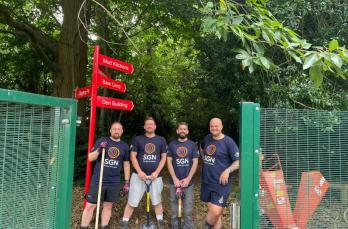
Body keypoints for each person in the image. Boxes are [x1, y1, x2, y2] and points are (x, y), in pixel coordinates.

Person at [80, 121, 130, 229]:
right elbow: (90, 158)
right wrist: (99, 149)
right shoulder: (103, 141)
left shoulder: (125, 146)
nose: (116, 131)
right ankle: (83, 227)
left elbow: (126, 164)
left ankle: (104, 226)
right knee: (90, 206)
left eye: (118, 129)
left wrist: (127, 182)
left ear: (122, 131)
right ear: (110, 130)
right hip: (99, 179)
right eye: (114, 129)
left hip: (114, 181)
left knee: (108, 205)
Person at [120, 117, 167, 229]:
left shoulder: (161, 140)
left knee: (157, 200)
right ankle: (124, 222)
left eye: (151, 124)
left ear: (155, 126)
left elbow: (164, 157)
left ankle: (160, 220)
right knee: (132, 200)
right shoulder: (137, 139)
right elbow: (133, 156)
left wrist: (156, 172)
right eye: (147, 124)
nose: (149, 126)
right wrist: (140, 172)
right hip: (138, 176)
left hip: (155, 176)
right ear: (144, 127)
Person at [200, 117, 240, 229]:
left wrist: (227, 171)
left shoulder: (228, 142)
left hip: (221, 184)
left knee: (216, 212)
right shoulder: (207, 138)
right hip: (207, 181)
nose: (214, 128)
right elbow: (202, 147)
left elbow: (238, 161)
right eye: (212, 126)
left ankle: (206, 226)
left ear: (222, 126)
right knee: (213, 212)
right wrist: (204, 157)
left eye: (216, 126)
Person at [167, 122, 199, 229]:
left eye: (185, 129)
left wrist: (188, 179)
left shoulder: (192, 145)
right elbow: (169, 163)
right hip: (173, 183)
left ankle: (188, 227)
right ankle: (175, 226)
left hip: (188, 183)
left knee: (188, 209)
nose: (182, 131)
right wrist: (175, 179)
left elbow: (195, 163)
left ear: (188, 131)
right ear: (177, 131)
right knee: (174, 209)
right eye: (180, 129)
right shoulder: (172, 145)